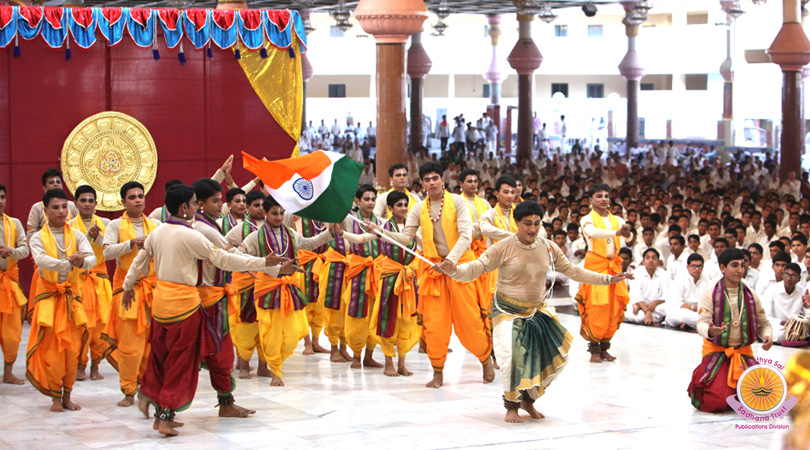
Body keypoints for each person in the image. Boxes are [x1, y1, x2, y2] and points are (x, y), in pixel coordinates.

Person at [434, 201, 631, 423]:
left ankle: (528, 400)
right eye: (527, 223)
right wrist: (455, 270)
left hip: (537, 310)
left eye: (536, 224)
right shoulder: (503, 247)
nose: (532, 229)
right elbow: (476, 268)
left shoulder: (548, 247)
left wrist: (607, 279)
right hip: (506, 310)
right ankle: (511, 406)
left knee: (558, 358)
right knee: (509, 358)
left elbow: (573, 271)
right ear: (516, 223)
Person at [122, 184, 293, 436]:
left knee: (163, 356)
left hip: (160, 304)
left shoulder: (157, 233)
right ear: (185, 207)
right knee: (182, 363)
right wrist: (265, 263)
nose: (196, 206)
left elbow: (140, 260)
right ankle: (167, 415)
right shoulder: (192, 235)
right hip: (185, 307)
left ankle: (158, 408)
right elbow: (223, 258)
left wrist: (127, 286)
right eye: (194, 203)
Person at [364, 161, 494, 389]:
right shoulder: (418, 208)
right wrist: (380, 231)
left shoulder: (458, 201)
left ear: (443, 181)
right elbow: (405, 238)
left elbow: (465, 236)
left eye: (435, 178)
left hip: (459, 268)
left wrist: (450, 262)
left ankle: (485, 360)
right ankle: (438, 372)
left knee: (470, 321)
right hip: (434, 271)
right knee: (435, 325)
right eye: (427, 180)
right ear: (422, 184)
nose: (431, 183)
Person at [239, 195, 335, 386]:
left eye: (282, 213)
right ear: (265, 213)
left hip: (289, 288)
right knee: (271, 333)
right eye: (274, 213)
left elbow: (308, 244)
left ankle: (276, 366)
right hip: (267, 288)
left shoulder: (290, 235)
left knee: (292, 334)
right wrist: (256, 268)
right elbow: (239, 255)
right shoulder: (255, 237)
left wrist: (330, 233)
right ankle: (276, 372)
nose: (279, 217)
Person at [190, 179, 256, 417]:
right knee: (190, 358)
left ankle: (226, 403)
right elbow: (230, 257)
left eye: (221, 200)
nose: (222, 206)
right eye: (216, 201)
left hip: (212, 298)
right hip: (203, 300)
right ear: (199, 204)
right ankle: (162, 408)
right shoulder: (204, 229)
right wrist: (266, 265)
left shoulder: (207, 224)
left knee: (221, 354)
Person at [26, 188, 95, 412]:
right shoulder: (37, 237)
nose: (61, 211)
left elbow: (91, 257)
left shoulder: (76, 235)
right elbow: (41, 260)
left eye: (64, 206)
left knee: (72, 349)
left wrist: (82, 262)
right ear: (45, 210)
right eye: (55, 207)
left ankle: (67, 394)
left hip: (72, 298)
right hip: (49, 299)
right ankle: (55, 397)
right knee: (52, 351)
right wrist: (70, 263)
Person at [342, 191, 421, 377]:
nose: (403, 208)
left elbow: (426, 245)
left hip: (409, 279)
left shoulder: (413, 228)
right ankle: (388, 363)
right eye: (399, 205)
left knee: (406, 321)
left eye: (405, 204)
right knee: (389, 319)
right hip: (389, 279)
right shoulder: (384, 226)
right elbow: (361, 239)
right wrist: (342, 233)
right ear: (390, 208)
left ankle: (402, 362)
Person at [687, 248, 773, 413]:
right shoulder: (710, 294)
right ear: (723, 268)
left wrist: (767, 336)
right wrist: (711, 331)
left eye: (742, 265)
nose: (740, 270)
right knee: (715, 402)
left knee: (762, 399)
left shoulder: (751, 295)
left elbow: (763, 323)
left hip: (742, 353)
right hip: (717, 352)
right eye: (734, 265)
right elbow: (701, 324)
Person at [100, 181, 160, 407]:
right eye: (132, 197)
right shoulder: (115, 225)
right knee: (129, 346)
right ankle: (128, 391)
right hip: (127, 291)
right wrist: (131, 243)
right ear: (123, 201)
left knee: (150, 344)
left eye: (140, 196)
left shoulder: (155, 224)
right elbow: (107, 253)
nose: (138, 200)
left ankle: (148, 387)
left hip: (152, 291)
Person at [574, 183, 632, 363]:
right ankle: (594, 350)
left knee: (613, 308)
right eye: (599, 196)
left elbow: (628, 239)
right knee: (597, 307)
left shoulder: (618, 219)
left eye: (606, 196)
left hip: (613, 265)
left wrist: (628, 233)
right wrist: (617, 232)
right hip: (596, 266)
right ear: (591, 200)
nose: (604, 199)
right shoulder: (586, 219)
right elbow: (593, 232)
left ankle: (605, 347)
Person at [224, 190, 270, 379]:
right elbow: (224, 247)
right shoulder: (240, 229)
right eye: (256, 205)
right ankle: (243, 365)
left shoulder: (272, 226)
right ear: (248, 208)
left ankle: (263, 366)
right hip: (245, 284)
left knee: (266, 324)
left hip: (267, 282)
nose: (260, 209)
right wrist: (242, 263)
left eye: (263, 205)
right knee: (246, 324)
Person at [69, 185, 111, 382]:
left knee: (100, 326)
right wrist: (87, 237)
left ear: (96, 203)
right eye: (83, 200)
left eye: (90, 200)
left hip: (100, 282)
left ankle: (96, 365)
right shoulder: (68, 225)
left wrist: (98, 236)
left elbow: (110, 250)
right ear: (76, 203)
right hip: (78, 280)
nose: (86, 204)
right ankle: (80, 364)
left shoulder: (106, 223)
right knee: (81, 325)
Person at [341, 185, 383, 369]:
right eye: (366, 199)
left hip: (377, 271)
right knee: (357, 313)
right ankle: (356, 355)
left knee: (375, 313)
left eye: (373, 199)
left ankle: (369, 355)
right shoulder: (349, 220)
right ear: (357, 201)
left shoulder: (381, 222)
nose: (371, 202)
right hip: (358, 271)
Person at [0, 183, 28, 385]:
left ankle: (8, 373)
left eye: (2, 197)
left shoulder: (14, 223)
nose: (0, 201)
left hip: (9, 283)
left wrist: (11, 252)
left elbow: (26, 250)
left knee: (11, 333)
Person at [761, 263, 805, 344]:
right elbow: (766, 317)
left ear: (799, 279)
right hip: (777, 328)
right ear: (783, 275)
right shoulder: (772, 290)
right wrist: (783, 323)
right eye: (786, 274)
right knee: (773, 334)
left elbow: (807, 316)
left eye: (793, 276)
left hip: (796, 330)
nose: (788, 278)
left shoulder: (803, 292)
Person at [665, 253, 711, 330]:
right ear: (688, 267)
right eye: (694, 266)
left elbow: (709, 299)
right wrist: (693, 307)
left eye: (699, 266)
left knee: (708, 314)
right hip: (682, 312)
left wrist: (701, 309)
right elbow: (677, 304)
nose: (697, 269)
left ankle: (691, 324)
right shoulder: (680, 279)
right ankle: (706, 325)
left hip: (700, 311)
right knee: (683, 315)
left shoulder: (706, 279)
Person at [625, 248, 668, 325]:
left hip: (656, 306)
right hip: (639, 303)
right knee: (639, 317)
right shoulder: (636, 273)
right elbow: (635, 295)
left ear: (658, 262)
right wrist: (647, 311)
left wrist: (654, 303)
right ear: (643, 261)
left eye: (653, 258)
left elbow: (667, 296)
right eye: (648, 258)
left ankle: (647, 315)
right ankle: (652, 317)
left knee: (668, 307)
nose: (650, 260)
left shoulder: (664, 274)